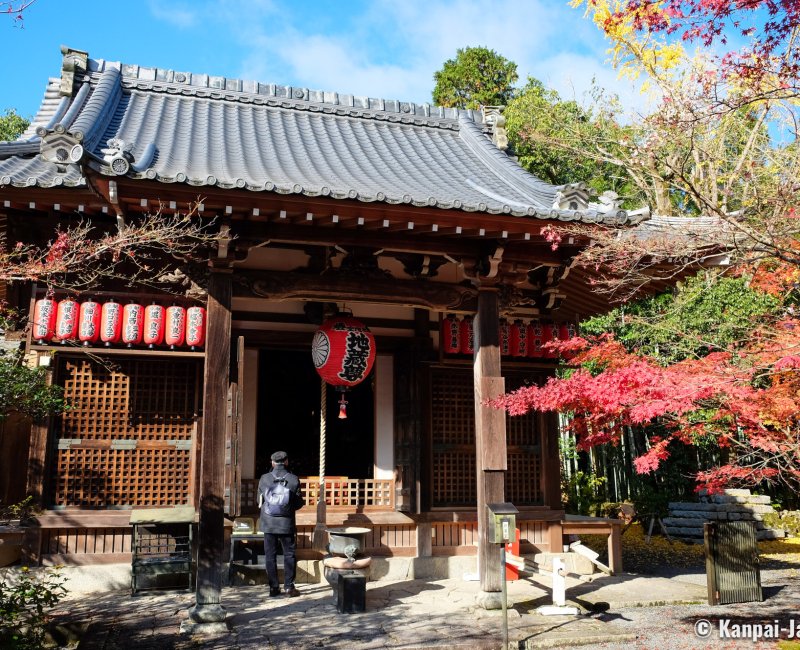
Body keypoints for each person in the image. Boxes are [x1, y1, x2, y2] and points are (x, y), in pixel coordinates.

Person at [258, 450, 304, 597]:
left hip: (269, 523)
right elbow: (298, 504)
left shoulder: (264, 479)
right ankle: (289, 588)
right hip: (286, 524)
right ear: (286, 462)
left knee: (270, 555)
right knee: (289, 554)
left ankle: (273, 588)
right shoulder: (293, 479)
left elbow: (259, 501)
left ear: (272, 462)